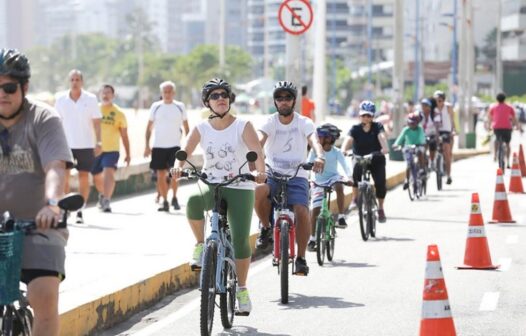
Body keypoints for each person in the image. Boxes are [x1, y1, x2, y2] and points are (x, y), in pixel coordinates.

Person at [171, 78, 265, 315]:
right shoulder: (201, 128)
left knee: (241, 240)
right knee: (193, 202)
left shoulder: (243, 125)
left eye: (224, 94)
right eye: (214, 96)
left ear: (230, 99)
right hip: (210, 183)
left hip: (239, 185)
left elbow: (258, 152)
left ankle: (242, 289)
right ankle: (201, 245)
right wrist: (177, 165)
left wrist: (260, 172)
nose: (220, 98)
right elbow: (185, 151)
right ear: (207, 102)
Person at [0, 48, 73, 336]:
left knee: (43, 295)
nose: (2, 94)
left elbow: (56, 166)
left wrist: (52, 204)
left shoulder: (43, 118)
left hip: (39, 225)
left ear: (24, 87)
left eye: (9, 87)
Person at [254, 81, 325, 276]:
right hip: (272, 172)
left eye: (287, 98)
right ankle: (266, 228)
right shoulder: (269, 121)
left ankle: (301, 258)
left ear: (294, 101)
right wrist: (254, 158)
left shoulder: (304, 122)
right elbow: (259, 141)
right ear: (275, 101)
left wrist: (319, 156)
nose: (283, 102)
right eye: (279, 98)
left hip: (298, 174)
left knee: (302, 211)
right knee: (258, 191)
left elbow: (314, 141)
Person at [54, 69, 101, 224]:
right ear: (69, 82)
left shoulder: (91, 99)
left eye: (77, 79)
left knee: (83, 177)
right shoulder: (60, 99)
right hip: (66, 145)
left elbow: (96, 123)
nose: (74, 82)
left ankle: (80, 210)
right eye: (72, 80)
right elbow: (56, 123)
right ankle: (66, 209)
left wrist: (99, 142)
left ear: (82, 82)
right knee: (65, 177)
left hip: (86, 145)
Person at [341, 100, 389, 222]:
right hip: (360, 158)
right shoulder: (355, 128)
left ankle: (381, 208)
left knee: (380, 183)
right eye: (363, 115)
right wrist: (344, 150)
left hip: (376, 158)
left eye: (369, 115)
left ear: (373, 116)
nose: (366, 118)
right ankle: (355, 199)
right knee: (355, 173)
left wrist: (384, 148)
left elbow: (381, 137)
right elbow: (348, 140)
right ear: (360, 115)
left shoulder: (377, 127)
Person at [144, 81, 189, 211]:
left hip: (175, 146)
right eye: (165, 92)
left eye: (170, 92)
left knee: (175, 174)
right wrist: (146, 145)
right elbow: (148, 128)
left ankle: (174, 198)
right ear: (161, 93)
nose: (167, 94)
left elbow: (187, 127)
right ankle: (164, 201)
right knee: (160, 175)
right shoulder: (155, 106)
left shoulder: (180, 106)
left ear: (174, 93)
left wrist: (187, 148)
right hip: (158, 146)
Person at [307, 123, 352, 251]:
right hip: (317, 181)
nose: (317, 139)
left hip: (333, 178)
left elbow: (345, 165)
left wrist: (349, 177)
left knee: (339, 186)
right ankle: (313, 238)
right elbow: (307, 164)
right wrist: (305, 176)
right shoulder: (314, 151)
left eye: (319, 136)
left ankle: (341, 216)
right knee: (314, 211)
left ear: (329, 138)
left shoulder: (336, 152)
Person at [92, 84, 131, 212]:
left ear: (113, 96)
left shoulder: (119, 113)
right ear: (99, 95)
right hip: (96, 150)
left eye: (108, 93)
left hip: (112, 150)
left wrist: (128, 153)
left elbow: (124, 135)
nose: (105, 95)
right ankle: (103, 194)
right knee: (96, 176)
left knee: (108, 172)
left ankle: (107, 200)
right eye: (103, 93)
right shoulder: (94, 110)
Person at [392, 112, 426, 190]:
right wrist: (396, 144)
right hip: (408, 147)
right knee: (408, 163)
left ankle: (421, 169)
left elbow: (422, 138)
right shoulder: (406, 129)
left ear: (417, 123)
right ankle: (407, 180)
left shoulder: (420, 129)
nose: (411, 125)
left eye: (413, 123)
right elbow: (400, 138)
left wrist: (421, 144)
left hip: (418, 146)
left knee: (420, 152)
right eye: (410, 123)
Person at [487, 92, 522, 168]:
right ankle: (508, 162)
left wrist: (489, 126)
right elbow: (514, 118)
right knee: (508, 144)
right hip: (507, 128)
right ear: (504, 99)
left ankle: (495, 155)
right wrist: (517, 126)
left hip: (497, 128)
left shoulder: (493, 107)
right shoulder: (509, 107)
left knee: (497, 140)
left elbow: (489, 118)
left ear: (497, 99)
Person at [433, 90, 456, 184]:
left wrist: (453, 130)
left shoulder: (448, 107)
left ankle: (449, 175)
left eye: (440, 100)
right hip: (436, 132)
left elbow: (452, 120)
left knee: (447, 153)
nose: (438, 103)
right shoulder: (432, 108)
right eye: (436, 100)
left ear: (443, 100)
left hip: (447, 131)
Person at [418, 98, 439, 169]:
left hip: (431, 134)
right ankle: (422, 167)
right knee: (420, 150)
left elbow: (437, 127)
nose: (423, 107)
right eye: (422, 105)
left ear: (429, 107)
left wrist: (437, 136)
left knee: (432, 144)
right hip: (421, 135)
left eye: (425, 105)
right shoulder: (419, 115)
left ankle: (432, 161)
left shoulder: (434, 114)